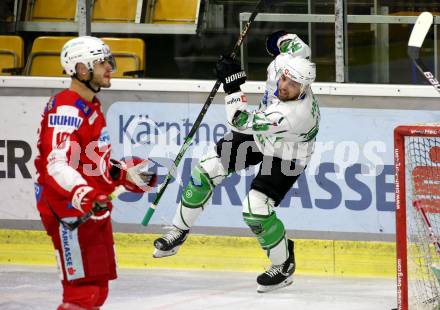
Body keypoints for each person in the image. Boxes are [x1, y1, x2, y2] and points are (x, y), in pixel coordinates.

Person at [152, 37, 320, 293]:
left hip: (287, 153)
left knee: (255, 210)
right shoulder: (289, 61)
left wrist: (233, 84)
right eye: (285, 78)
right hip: (260, 136)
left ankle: (284, 265)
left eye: (293, 84)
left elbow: (239, 121)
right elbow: (288, 42)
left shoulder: (294, 115)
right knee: (205, 170)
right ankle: (178, 230)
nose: (284, 85)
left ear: (305, 87)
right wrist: (275, 41)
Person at [34, 36, 157, 310]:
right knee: (83, 293)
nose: (109, 68)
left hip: (88, 208)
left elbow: (86, 161)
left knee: (95, 289)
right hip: (71, 211)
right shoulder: (67, 109)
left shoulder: (87, 105)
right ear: (80, 69)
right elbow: (57, 165)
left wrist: (122, 174)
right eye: (101, 63)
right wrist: (84, 194)